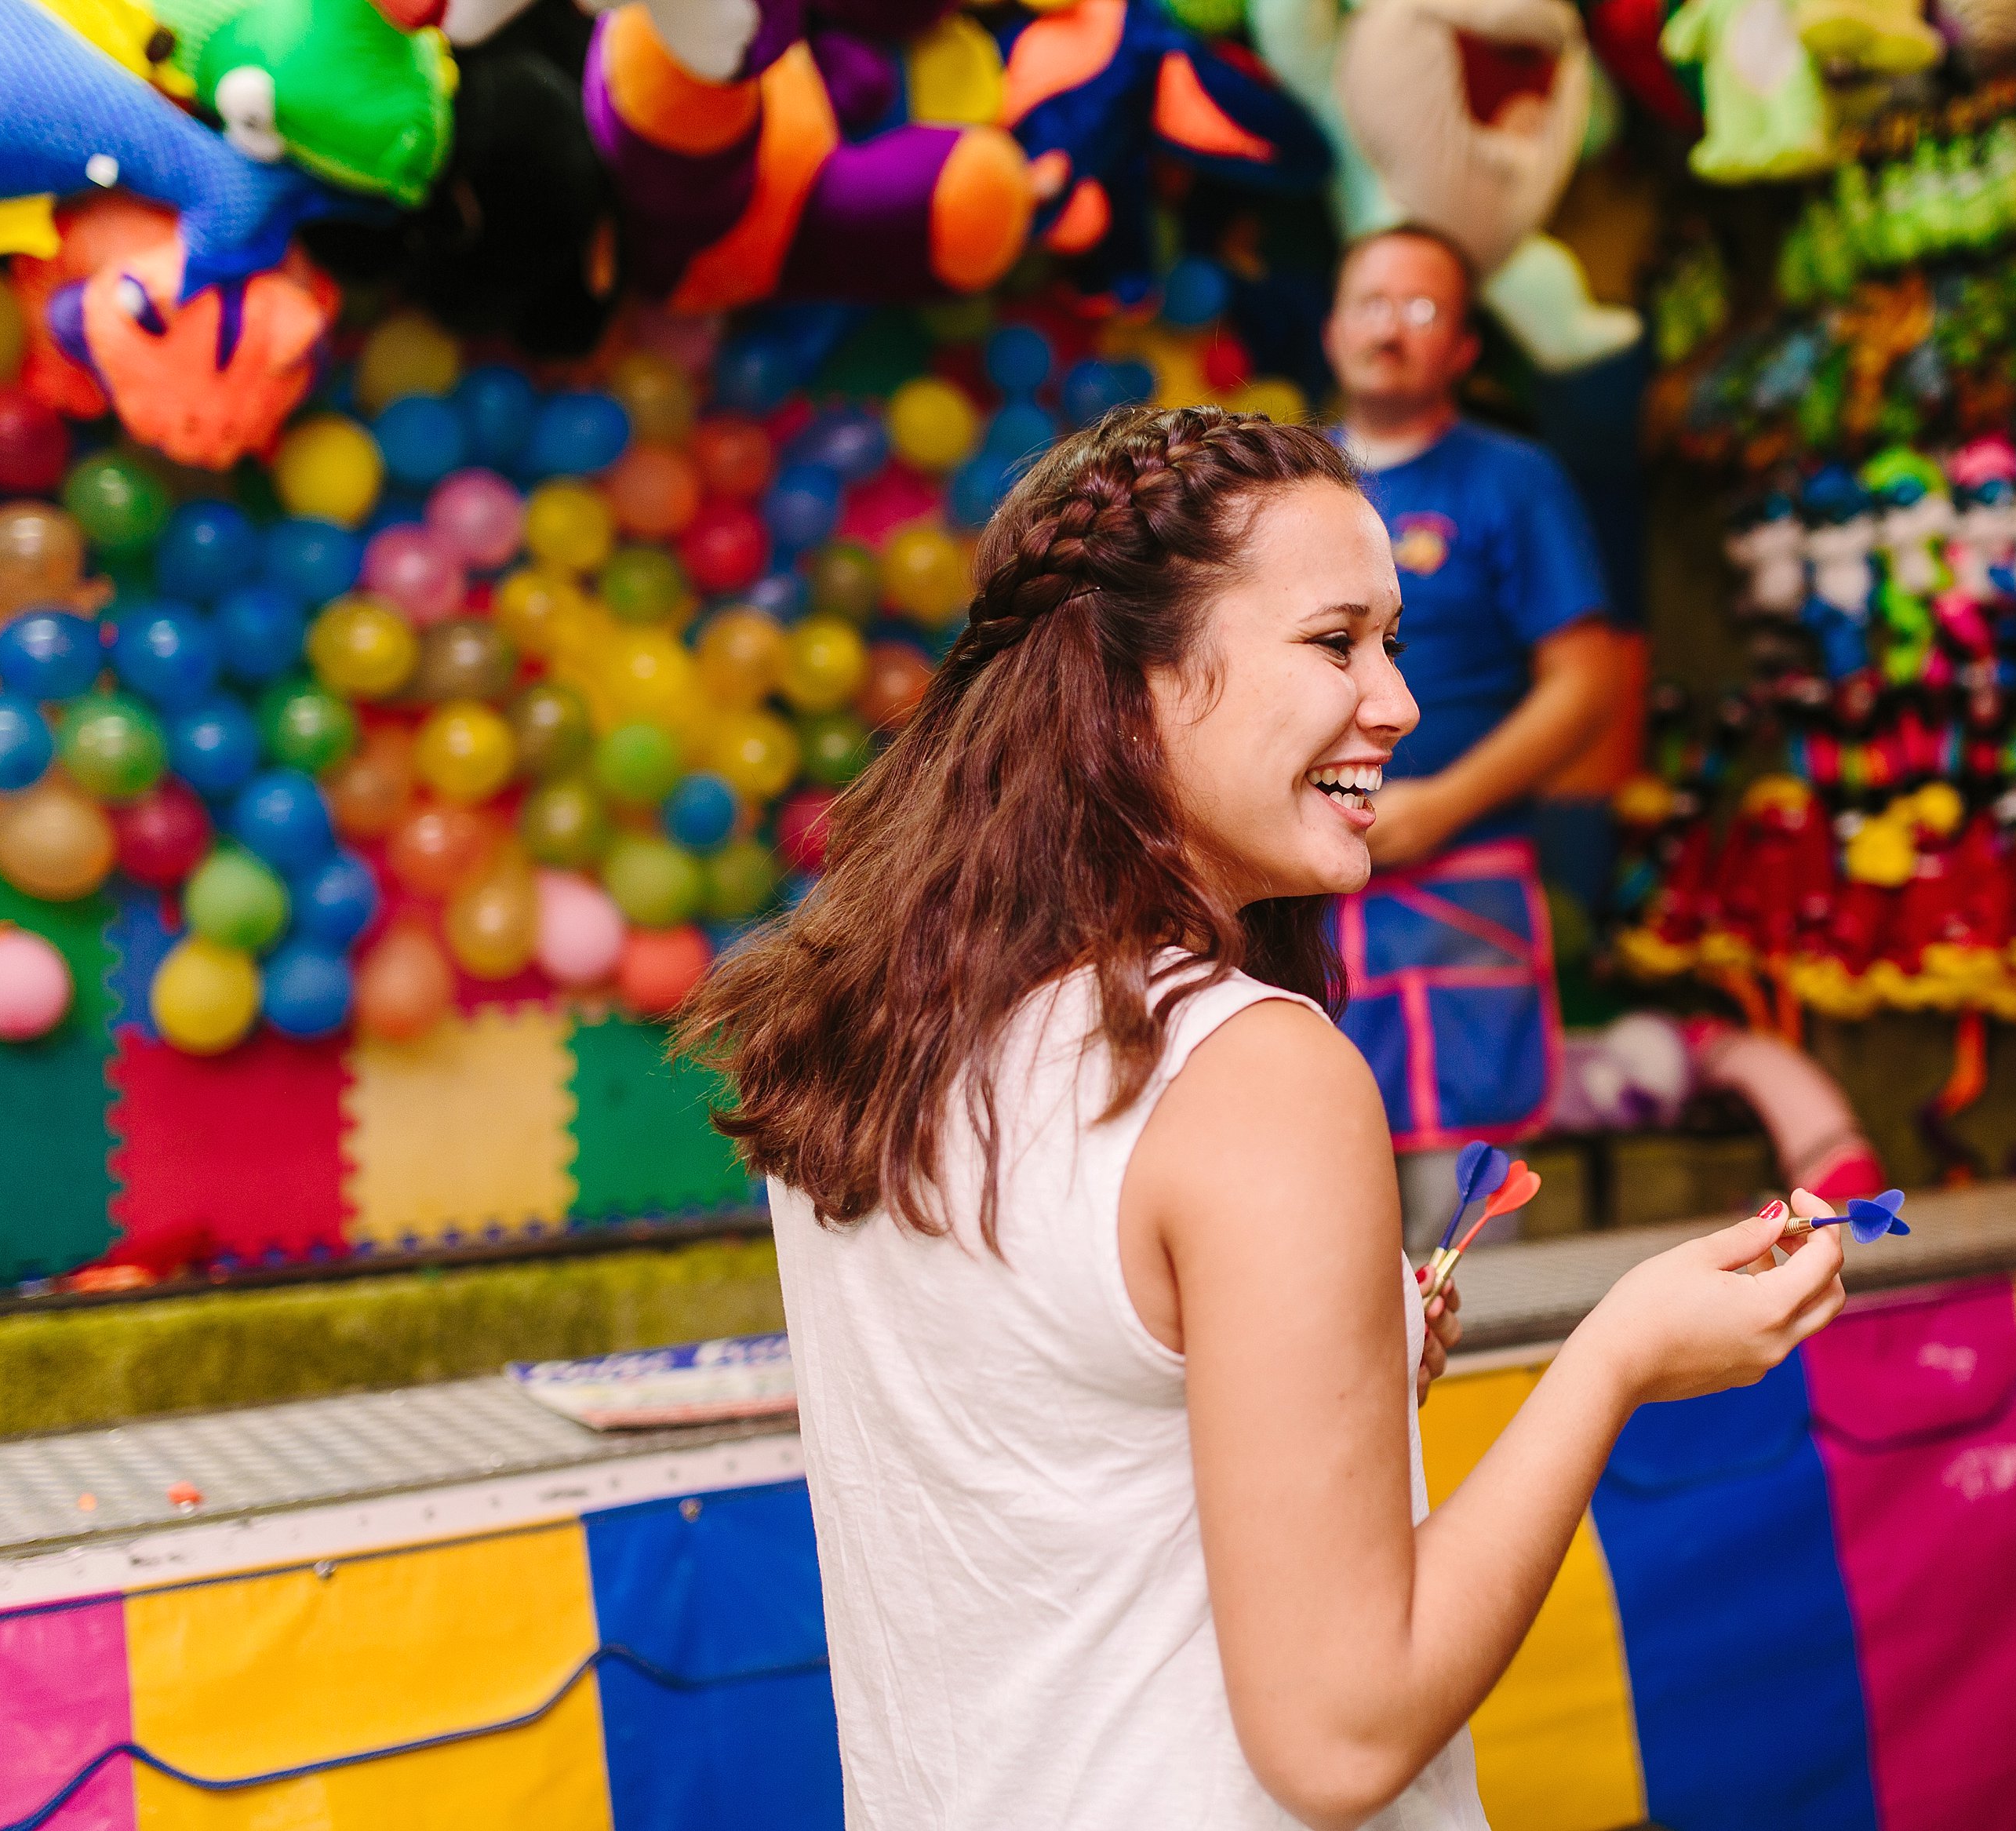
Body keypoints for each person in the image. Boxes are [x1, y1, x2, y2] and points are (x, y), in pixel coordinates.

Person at [681, 406, 1847, 1830]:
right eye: (1335, 641)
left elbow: (1054, 1470)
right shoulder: (1249, 1072)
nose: (1398, 704)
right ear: (1133, 688)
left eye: (1395, 643)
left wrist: (1321, 1378)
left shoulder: (873, 1037)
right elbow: (1341, 1737)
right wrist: (1614, 1356)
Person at [1322, 226, 1618, 1244]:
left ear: (1463, 350)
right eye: (1370, 301)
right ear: (1332, 329)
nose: (1390, 328)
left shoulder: (1513, 480)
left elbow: (1585, 686)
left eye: (1422, 308)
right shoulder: (1289, 488)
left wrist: (1441, 803)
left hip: (1465, 882)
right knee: (1319, 1185)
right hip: (1309, 887)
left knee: (1468, 1219)